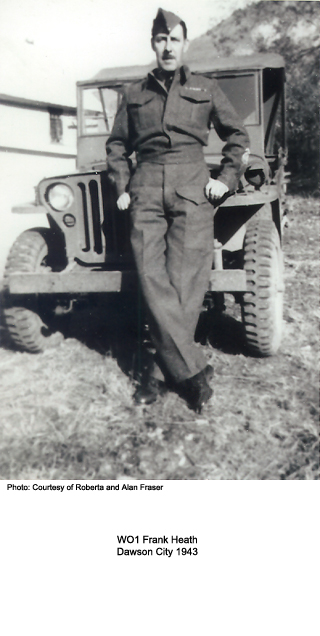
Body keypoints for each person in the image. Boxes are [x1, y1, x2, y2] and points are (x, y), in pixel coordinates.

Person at [106, 8, 249, 412]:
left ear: (185, 44)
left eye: (174, 40)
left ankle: (155, 374)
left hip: (192, 185)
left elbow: (236, 135)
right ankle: (192, 371)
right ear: (153, 44)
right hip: (145, 187)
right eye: (160, 40)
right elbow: (117, 146)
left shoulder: (205, 88)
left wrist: (226, 178)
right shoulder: (133, 94)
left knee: (187, 283)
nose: (167, 47)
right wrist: (121, 184)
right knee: (153, 281)